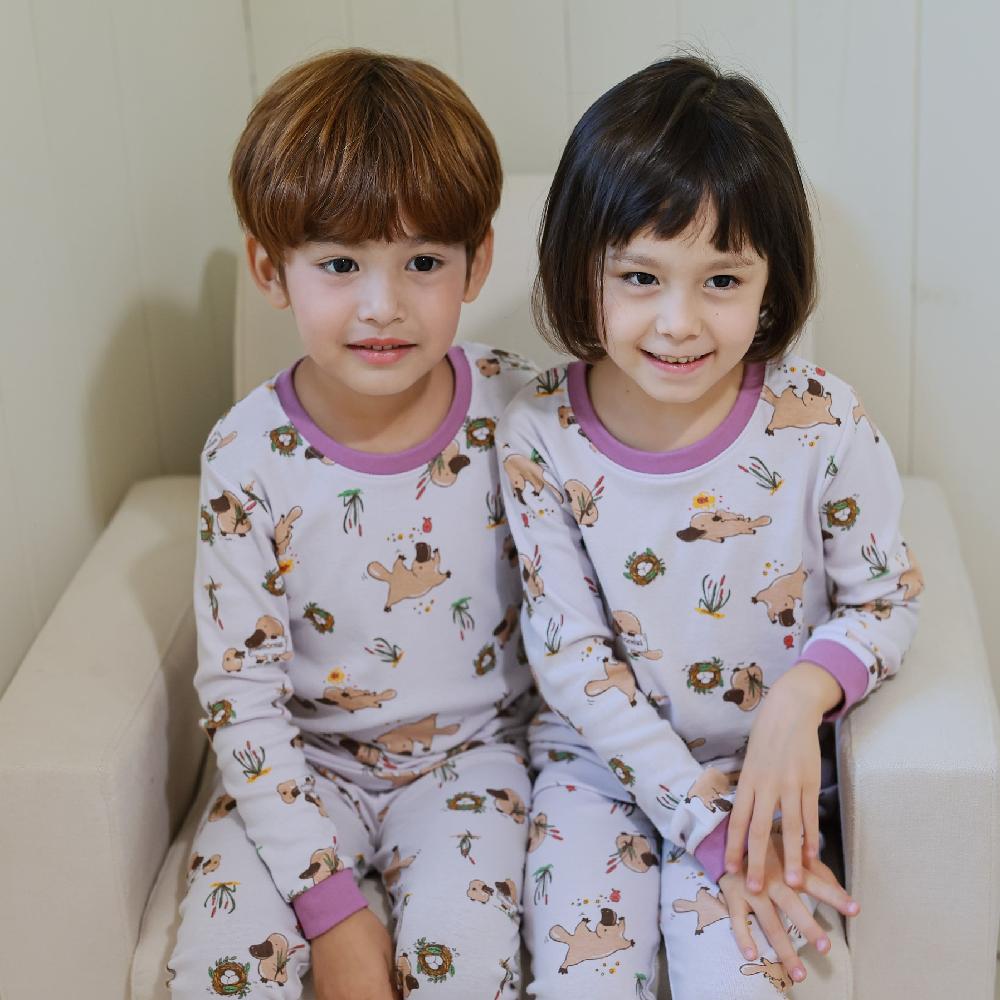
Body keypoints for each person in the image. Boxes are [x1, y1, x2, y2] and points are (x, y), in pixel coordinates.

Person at [497, 55, 921, 998]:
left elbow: (887, 597)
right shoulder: (539, 434)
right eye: (640, 277)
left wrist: (801, 695)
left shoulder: (822, 421)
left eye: (721, 279)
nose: (679, 322)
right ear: (581, 269)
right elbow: (571, 658)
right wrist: (703, 828)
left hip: (758, 777)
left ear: (772, 281)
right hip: (598, 774)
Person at [168, 49, 540, 1000]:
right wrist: (330, 907)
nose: (384, 306)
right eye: (340, 265)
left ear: (476, 262)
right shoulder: (244, 456)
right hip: (302, 766)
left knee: (469, 968)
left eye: (423, 263)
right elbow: (240, 694)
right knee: (224, 970)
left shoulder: (521, 413)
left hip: (471, 762)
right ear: (272, 269)